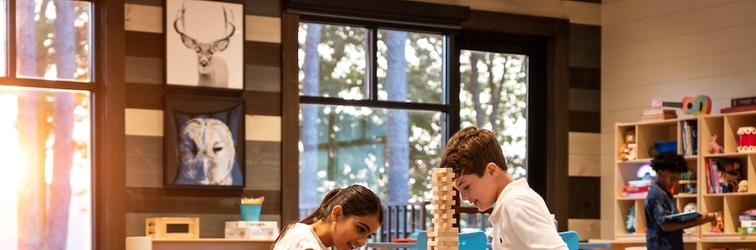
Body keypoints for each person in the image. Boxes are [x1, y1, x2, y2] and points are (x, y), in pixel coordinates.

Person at [439, 126, 568, 249]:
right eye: (459, 191)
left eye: (466, 187)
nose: (464, 197)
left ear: (491, 171)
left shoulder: (516, 203)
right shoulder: (508, 204)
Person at [271, 185, 383, 250]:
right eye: (360, 229)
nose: (362, 242)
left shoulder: (302, 231)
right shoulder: (306, 245)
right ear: (337, 213)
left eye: (368, 237)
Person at [644, 151, 716, 250]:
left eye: (676, 180)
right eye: (672, 179)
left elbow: (674, 221)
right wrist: (698, 222)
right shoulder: (656, 194)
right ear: (660, 173)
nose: (674, 184)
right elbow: (665, 225)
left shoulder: (665, 193)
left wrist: (696, 218)